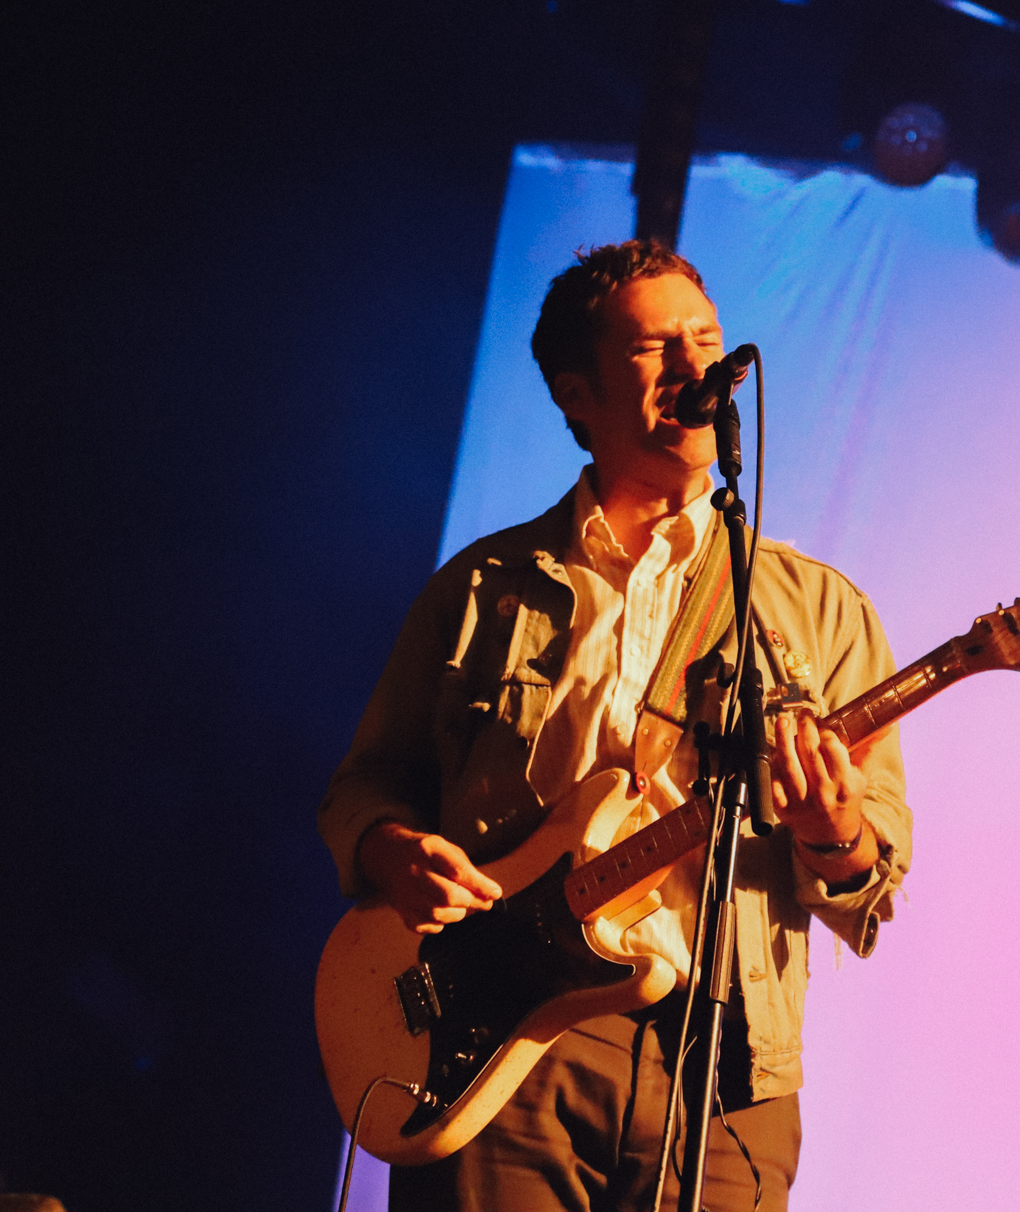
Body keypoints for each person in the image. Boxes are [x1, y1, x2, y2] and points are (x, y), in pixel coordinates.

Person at [319, 240, 912, 1212]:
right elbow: (365, 783)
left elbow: (869, 882)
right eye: (652, 347)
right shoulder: (481, 586)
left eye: (705, 339)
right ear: (575, 395)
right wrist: (390, 849)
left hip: (723, 1066)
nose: (693, 365)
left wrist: (829, 832)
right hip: (509, 1042)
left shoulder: (818, 609)